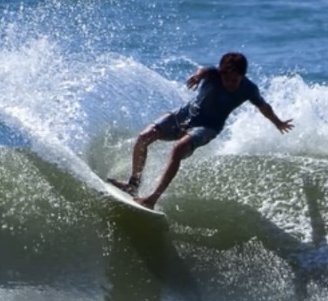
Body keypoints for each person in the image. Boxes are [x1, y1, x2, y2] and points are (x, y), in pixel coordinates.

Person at [111, 52, 293, 209]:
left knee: (178, 149)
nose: (230, 83)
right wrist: (197, 77)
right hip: (183, 115)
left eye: (235, 80)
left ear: (242, 76)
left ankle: (152, 199)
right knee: (143, 137)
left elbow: (264, 107)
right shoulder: (213, 74)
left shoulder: (249, 89)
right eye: (226, 79)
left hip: (207, 128)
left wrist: (278, 123)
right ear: (220, 73)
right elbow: (203, 70)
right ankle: (133, 185)